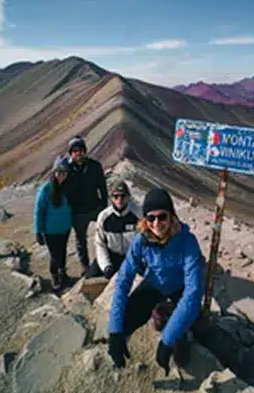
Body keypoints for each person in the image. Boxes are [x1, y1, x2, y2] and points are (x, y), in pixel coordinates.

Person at [107, 188, 204, 376]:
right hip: (155, 284)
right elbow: (123, 280)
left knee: (182, 354)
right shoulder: (141, 241)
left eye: (162, 217)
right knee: (124, 322)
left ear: (172, 216)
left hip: (180, 287)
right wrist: (115, 331)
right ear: (145, 220)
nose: (156, 223)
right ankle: (160, 312)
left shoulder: (187, 241)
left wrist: (166, 341)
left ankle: (171, 322)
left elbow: (193, 293)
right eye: (151, 218)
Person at [63, 136, 108, 273]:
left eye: (81, 150)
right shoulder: (66, 169)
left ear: (85, 151)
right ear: (70, 153)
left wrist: (104, 206)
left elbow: (102, 187)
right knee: (80, 240)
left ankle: (107, 261)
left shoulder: (95, 166)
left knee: (105, 233)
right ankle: (85, 266)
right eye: (75, 151)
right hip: (77, 212)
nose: (78, 153)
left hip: (95, 208)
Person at [86, 180, 142, 279]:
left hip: (132, 256)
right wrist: (106, 266)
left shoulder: (138, 213)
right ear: (111, 198)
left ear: (128, 196)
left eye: (123, 196)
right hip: (112, 256)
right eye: (116, 196)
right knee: (90, 278)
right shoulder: (104, 217)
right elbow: (100, 244)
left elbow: (145, 241)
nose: (119, 199)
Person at [34, 157, 73, 290]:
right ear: (54, 172)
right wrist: (38, 231)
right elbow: (39, 211)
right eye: (59, 171)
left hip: (65, 228)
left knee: (62, 252)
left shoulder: (67, 187)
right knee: (55, 255)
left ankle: (63, 274)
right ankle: (55, 276)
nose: (62, 175)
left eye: (64, 172)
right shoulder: (45, 190)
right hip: (50, 231)